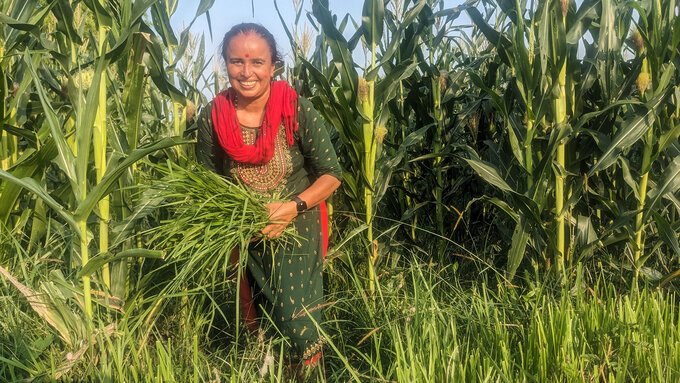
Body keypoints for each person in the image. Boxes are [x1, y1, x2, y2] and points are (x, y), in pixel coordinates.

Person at [194, 22, 342, 376]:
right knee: (254, 322)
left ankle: (306, 374)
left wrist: (291, 208)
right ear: (226, 64)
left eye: (257, 62)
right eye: (236, 62)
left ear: (274, 65)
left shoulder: (296, 109)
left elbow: (331, 174)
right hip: (242, 230)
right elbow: (207, 182)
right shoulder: (213, 116)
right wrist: (232, 222)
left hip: (296, 224)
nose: (247, 73)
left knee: (295, 321)